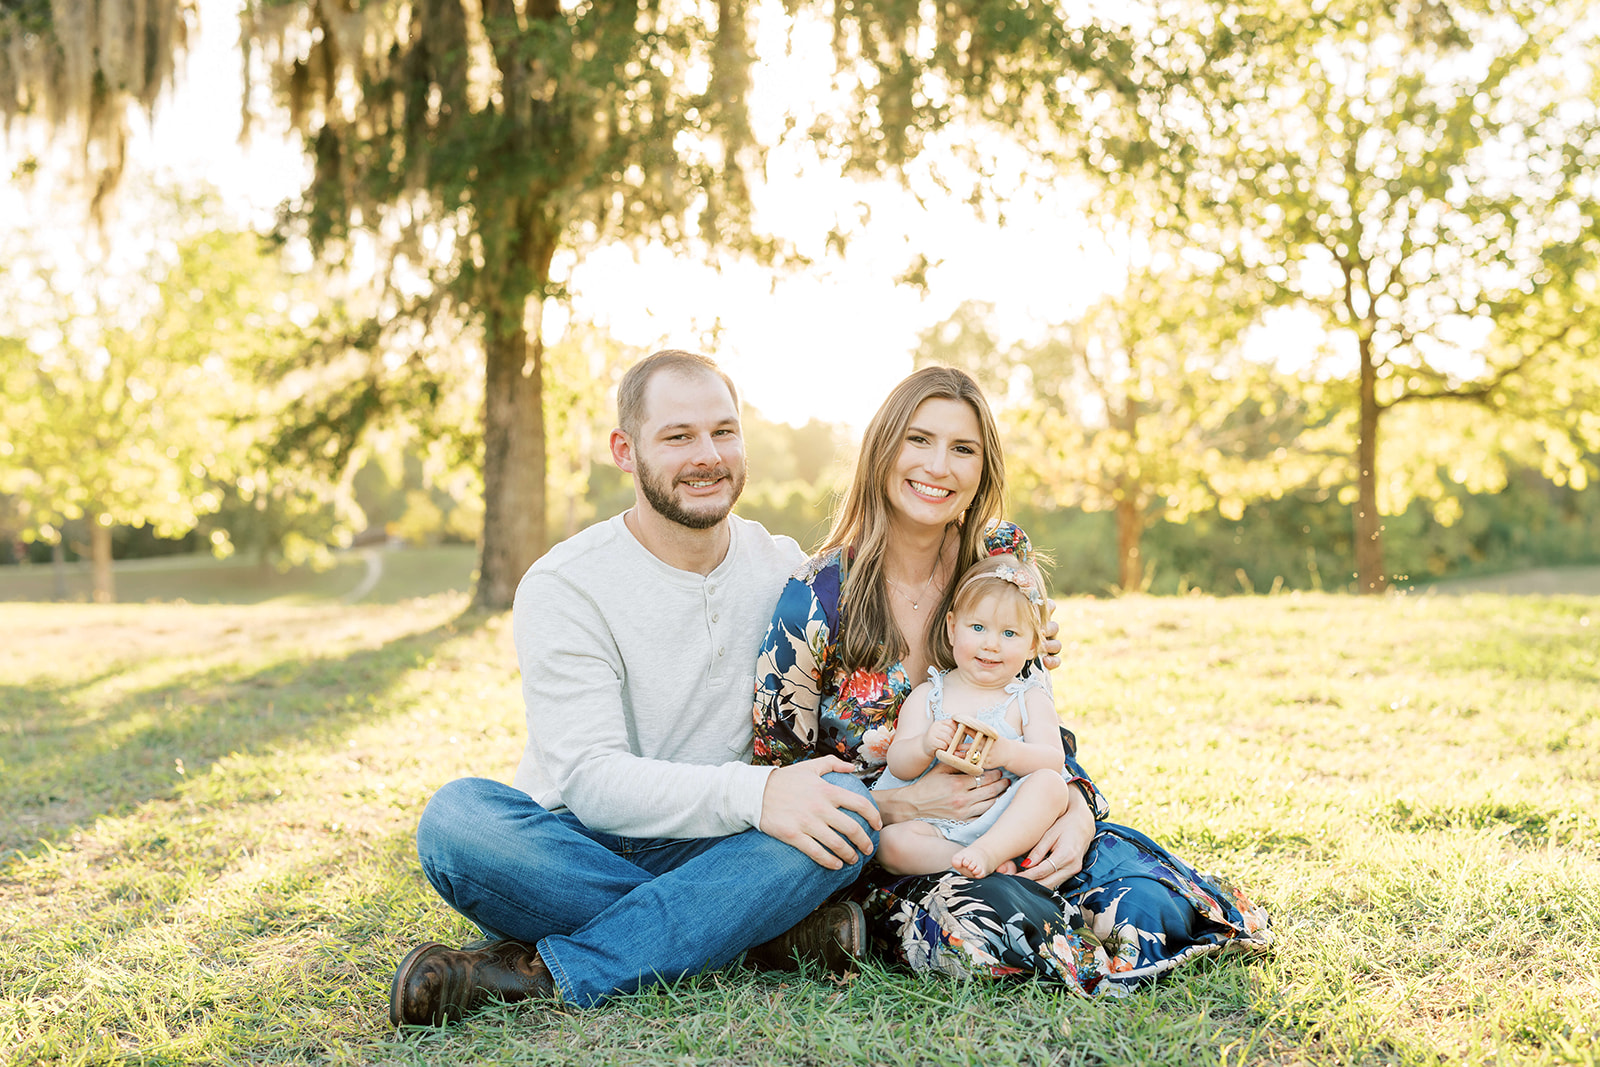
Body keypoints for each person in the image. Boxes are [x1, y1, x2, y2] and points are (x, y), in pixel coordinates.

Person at [390, 350, 883, 1027]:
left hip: (725, 840)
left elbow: (892, 639)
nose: (707, 454)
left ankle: (550, 973)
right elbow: (593, 780)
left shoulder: (783, 567)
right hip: (578, 840)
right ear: (626, 450)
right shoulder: (566, 585)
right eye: (678, 436)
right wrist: (758, 794)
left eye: (723, 431)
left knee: (847, 810)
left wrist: (1018, 632)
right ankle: (759, 932)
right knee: (457, 822)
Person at [753, 365, 1272, 995]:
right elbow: (773, 780)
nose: (938, 465)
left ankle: (1066, 901)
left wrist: (1076, 809)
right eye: (919, 440)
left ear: (981, 470)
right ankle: (834, 927)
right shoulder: (815, 598)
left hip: (1013, 819)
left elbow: (1039, 724)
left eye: (963, 448)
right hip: (896, 851)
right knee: (1001, 919)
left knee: (1152, 905)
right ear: (882, 451)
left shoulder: (997, 583)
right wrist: (893, 805)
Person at [874, 553, 1072, 879]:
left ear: (1034, 644)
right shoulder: (929, 694)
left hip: (1008, 820)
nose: (991, 644)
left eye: (1009, 634)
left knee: (1051, 786)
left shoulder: (1029, 698)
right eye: (978, 627)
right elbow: (898, 763)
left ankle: (990, 853)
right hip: (938, 827)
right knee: (890, 843)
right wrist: (924, 745)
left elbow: (1053, 761)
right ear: (953, 628)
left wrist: (1009, 752)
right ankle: (977, 865)